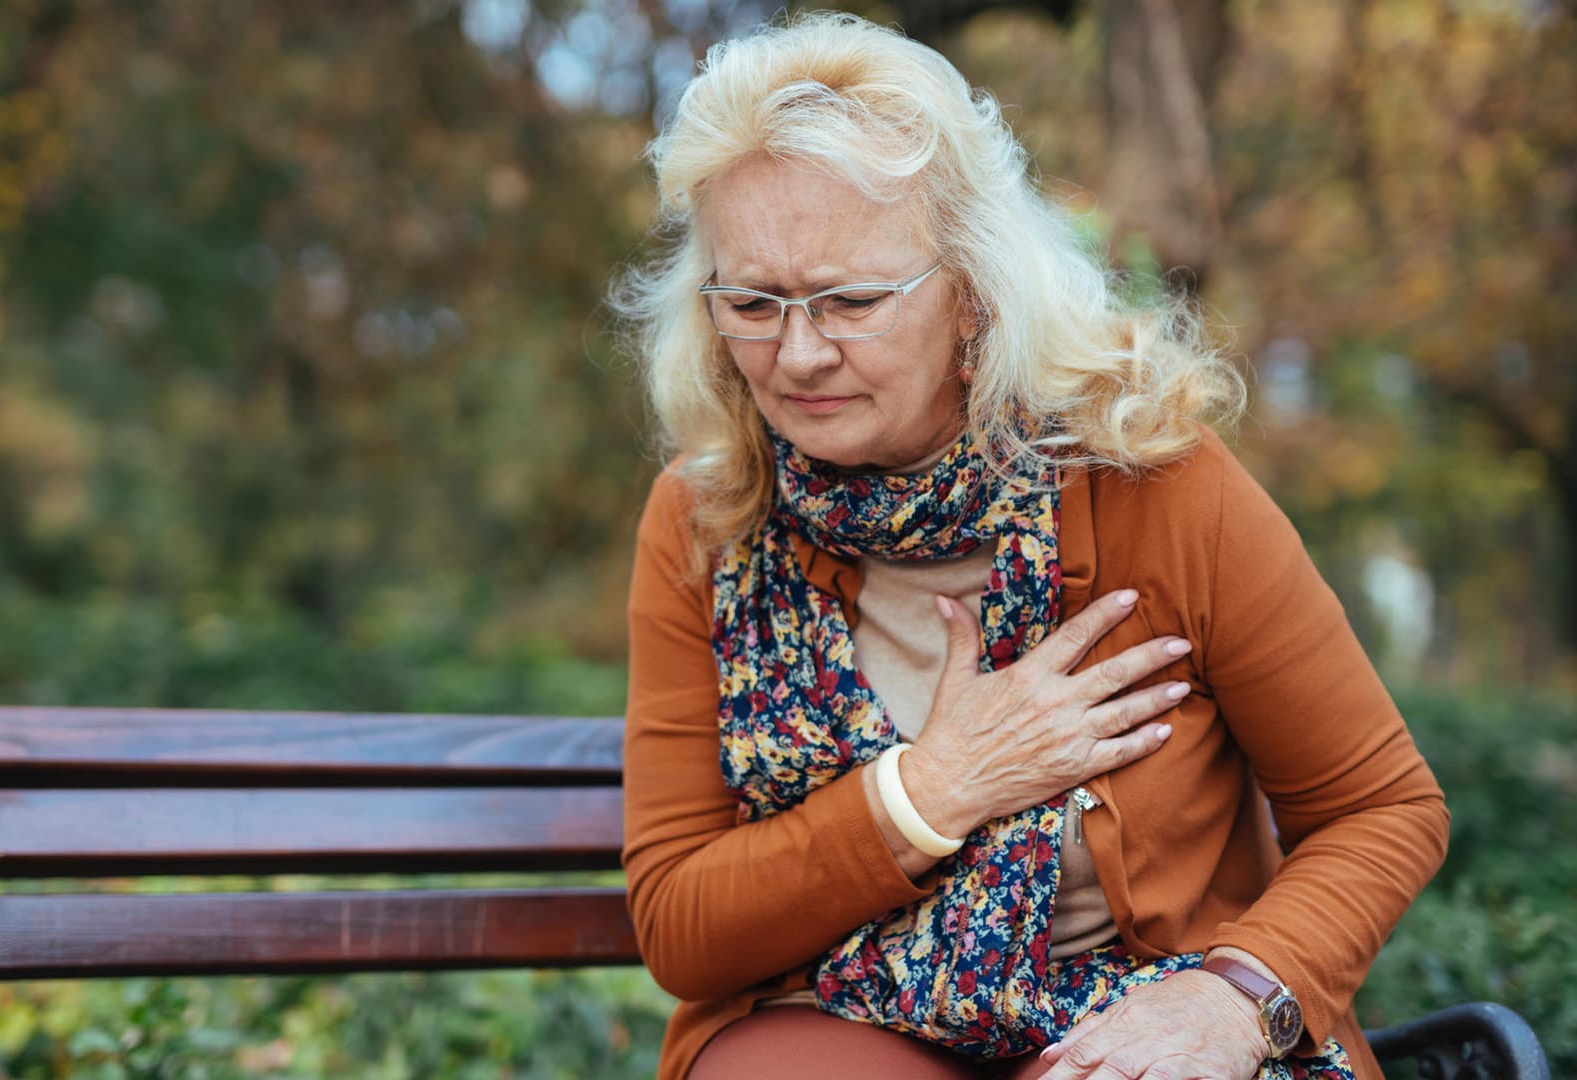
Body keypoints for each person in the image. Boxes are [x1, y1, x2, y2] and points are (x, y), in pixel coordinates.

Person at [612, 13, 1448, 1080]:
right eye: (753, 302)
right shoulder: (708, 516)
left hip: (1141, 1015)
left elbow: (1383, 809)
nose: (801, 353)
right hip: (841, 1025)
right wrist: (936, 790)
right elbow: (683, 927)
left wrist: (1236, 999)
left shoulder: (1153, 479)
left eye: (853, 300)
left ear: (970, 291)